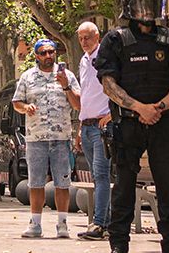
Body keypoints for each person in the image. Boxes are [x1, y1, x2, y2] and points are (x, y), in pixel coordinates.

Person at [95, 0, 169, 253]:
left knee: (168, 188)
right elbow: (108, 83)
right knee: (124, 187)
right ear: (129, 7)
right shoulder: (115, 39)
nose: (146, 11)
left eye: (151, 3)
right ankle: (119, 244)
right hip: (128, 124)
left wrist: (159, 108)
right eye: (140, 4)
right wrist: (139, 109)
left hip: (164, 122)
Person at [13, 37, 80, 238]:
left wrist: (66, 86)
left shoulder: (67, 75)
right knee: (36, 182)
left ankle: (62, 224)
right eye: (43, 52)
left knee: (62, 182)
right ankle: (35, 224)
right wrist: (25, 107)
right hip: (36, 138)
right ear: (36, 56)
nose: (48, 56)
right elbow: (17, 102)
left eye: (51, 52)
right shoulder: (27, 77)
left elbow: (78, 105)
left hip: (61, 138)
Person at [74, 21, 113, 240]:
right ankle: (104, 223)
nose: (84, 42)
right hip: (87, 126)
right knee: (96, 177)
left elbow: (120, 85)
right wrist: (80, 126)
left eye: (87, 37)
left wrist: (111, 115)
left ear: (97, 36)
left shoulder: (107, 55)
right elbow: (87, 94)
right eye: (80, 38)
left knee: (100, 173)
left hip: (102, 127)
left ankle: (99, 224)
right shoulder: (83, 60)